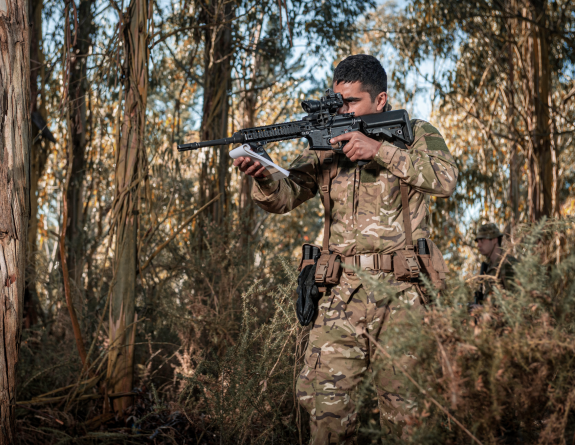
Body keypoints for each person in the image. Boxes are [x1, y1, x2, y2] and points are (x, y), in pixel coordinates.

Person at [233, 54, 458, 443]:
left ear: (380, 102)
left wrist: (379, 150)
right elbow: (285, 198)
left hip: (402, 294)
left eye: (352, 102)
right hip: (339, 294)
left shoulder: (415, 132)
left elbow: (445, 179)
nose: (342, 109)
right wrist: (265, 176)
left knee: (410, 418)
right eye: (338, 100)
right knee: (326, 410)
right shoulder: (327, 142)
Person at [473, 222, 517, 304]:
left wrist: (484, 309)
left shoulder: (508, 263)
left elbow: (515, 301)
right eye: (477, 241)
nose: (478, 245)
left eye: (482, 240)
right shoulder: (488, 267)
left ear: (494, 240)